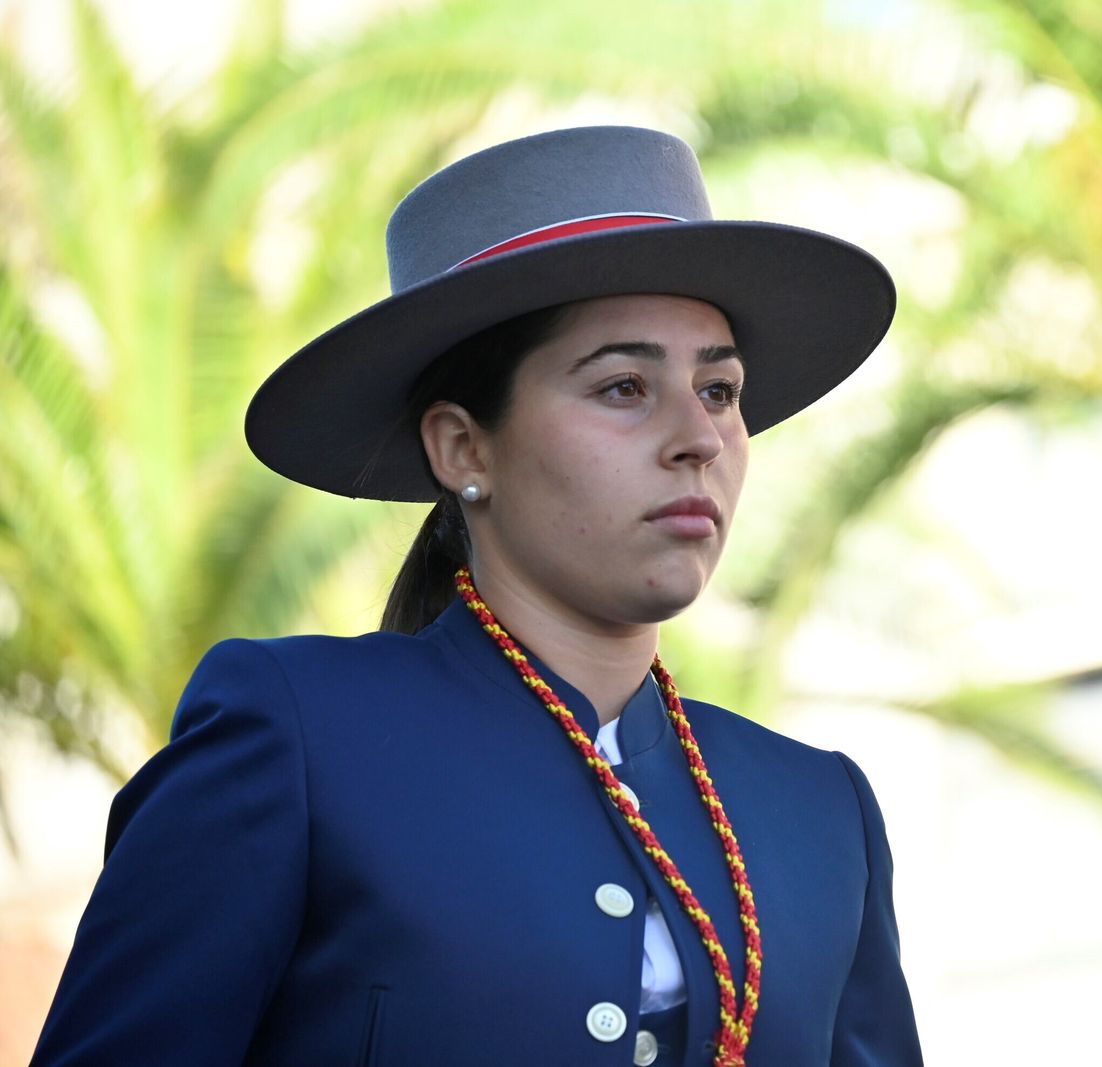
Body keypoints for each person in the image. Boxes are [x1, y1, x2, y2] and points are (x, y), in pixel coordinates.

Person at [31, 126, 922, 1067]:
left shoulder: (819, 812)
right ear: (463, 448)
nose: (698, 436)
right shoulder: (298, 735)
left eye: (720, 387)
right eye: (624, 386)